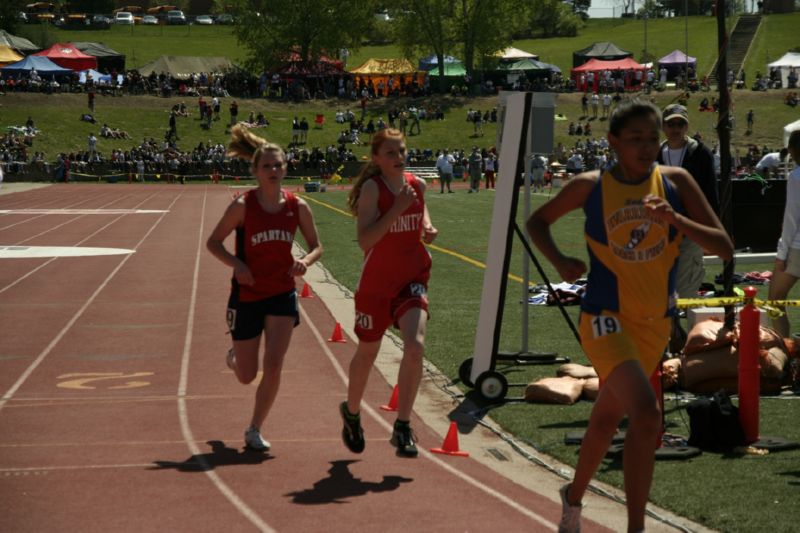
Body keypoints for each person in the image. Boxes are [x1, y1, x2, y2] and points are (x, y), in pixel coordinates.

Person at [526, 99, 732, 533]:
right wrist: (561, 261)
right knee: (647, 413)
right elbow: (537, 222)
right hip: (604, 316)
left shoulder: (676, 181)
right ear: (613, 142)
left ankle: (573, 497)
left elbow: (724, 247)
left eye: (651, 138)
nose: (644, 147)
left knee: (605, 419)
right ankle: (636, 527)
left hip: (654, 323)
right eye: (634, 139)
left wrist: (675, 217)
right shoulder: (590, 186)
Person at [206, 125, 323, 451]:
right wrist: (238, 265)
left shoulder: (297, 207)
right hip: (247, 295)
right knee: (246, 374)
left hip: (281, 293)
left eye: (278, 165)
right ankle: (235, 357)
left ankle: (254, 428)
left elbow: (316, 246)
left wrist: (306, 262)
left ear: (286, 168)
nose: (273, 170)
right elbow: (213, 243)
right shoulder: (242, 207)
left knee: (274, 364)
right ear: (256, 171)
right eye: (267, 166)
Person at [339, 128, 438, 458]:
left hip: (412, 276)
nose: (399, 158)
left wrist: (426, 225)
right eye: (391, 153)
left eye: (402, 151)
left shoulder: (416, 186)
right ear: (376, 158)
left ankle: (403, 425)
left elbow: (419, 206)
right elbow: (366, 241)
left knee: (415, 346)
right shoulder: (372, 189)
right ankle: (352, 413)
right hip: (376, 285)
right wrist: (396, 210)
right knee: (367, 352)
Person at [769, 131, 800, 338]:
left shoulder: (796, 176)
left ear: (791, 150)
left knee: (775, 299)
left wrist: (781, 255)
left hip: (797, 248)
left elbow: (791, 219)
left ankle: (785, 352)